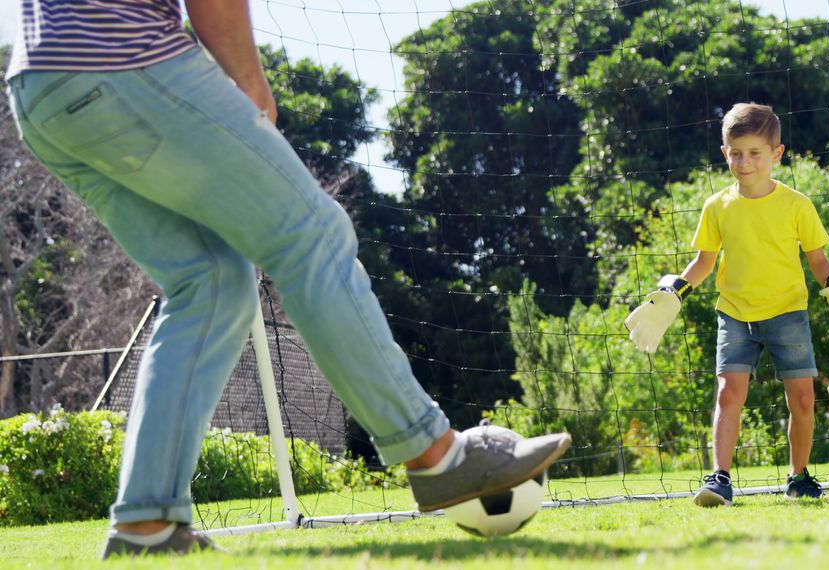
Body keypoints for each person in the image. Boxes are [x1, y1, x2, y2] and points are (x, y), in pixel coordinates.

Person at [6, 0, 571, 557]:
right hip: (121, 56)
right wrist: (249, 85)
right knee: (311, 236)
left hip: (41, 87)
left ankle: (146, 523)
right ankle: (437, 456)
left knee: (210, 283)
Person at [624, 102, 829, 507]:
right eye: (736, 153)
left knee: (803, 399)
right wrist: (674, 291)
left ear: (776, 154)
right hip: (734, 313)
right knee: (728, 394)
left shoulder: (797, 205)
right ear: (724, 153)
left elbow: (818, 260)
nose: (744, 162)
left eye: (755, 153)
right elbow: (704, 263)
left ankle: (799, 477)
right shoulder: (716, 207)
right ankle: (719, 478)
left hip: (788, 311)